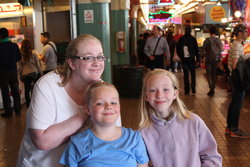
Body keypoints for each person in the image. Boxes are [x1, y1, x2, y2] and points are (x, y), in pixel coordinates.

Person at [17, 34, 121, 167]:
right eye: (88, 58)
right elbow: (42, 141)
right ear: (71, 63)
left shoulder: (103, 90)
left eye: (100, 57)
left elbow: (114, 133)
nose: (97, 63)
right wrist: (86, 114)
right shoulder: (47, 86)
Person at [138, 69, 222, 167]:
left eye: (165, 89)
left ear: (175, 93)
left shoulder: (194, 122)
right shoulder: (142, 134)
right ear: (146, 96)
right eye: (153, 90)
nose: (159, 95)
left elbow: (211, 156)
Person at [60, 82, 149, 167]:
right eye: (99, 103)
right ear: (87, 109)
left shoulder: (134, 138)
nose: (108, 106)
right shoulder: (77, 143)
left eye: (113, 102)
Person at [226, 23, 250, 138]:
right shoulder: (237, 46)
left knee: (234, 102)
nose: (247, 33)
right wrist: (246, 58)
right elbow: (235, 65)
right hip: (238, 77)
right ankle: (234, 129)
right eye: (245, 32)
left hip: (234, 77)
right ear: (240, 33)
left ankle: (229, 127)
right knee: (237, 104)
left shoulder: (235, 44)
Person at [0, 27, 21, 117]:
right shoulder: (14, 45)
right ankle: (17, 109)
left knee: (5, 92)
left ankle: (8, 111)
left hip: (2, 72)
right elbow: (19, 57)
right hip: (13, 71)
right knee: (15, 91)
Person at [176, 26, 200, 95]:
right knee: (193, 75)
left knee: (186, 75)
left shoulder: (181, 39)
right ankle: (193, 88)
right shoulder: (193, 39)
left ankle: (187, 90)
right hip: (192, 60)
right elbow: (196, 50)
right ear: (190, 31)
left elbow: (178, 48)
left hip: (184, 60)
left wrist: (181, 57)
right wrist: (198, 59)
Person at [19, 39, 42, 108]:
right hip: (34, 73)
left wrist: (20, 75)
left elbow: (19, 67)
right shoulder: (33, 54)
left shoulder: (21, 55)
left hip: (25, 74)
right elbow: (38, 65)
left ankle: (28, 106)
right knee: (35, 90)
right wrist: (40, 73)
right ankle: (35, 104)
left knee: (27, 91)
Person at [202, 26, 223, 96]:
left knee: (209, 74)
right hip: (216, 59)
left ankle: (211, 88)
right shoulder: (218, 40)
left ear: (210, 32)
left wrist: (203, 58)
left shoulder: (207, 40)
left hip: (208, 59)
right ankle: (213, 87)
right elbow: (221, 49)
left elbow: (203, 50)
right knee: (214, 74)